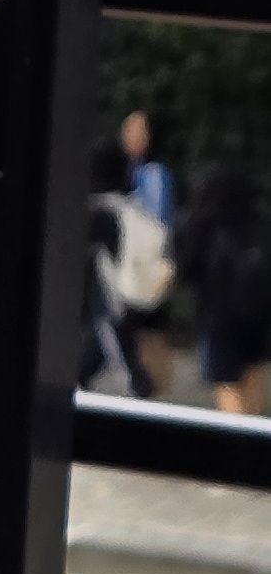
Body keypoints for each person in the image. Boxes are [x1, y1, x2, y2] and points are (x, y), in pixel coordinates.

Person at [175, 163, 271, 417]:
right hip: (259, 319)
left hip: (217, 319)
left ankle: (237, 438)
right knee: (253, 377)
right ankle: (255, 433)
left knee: (226, 385)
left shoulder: (204, 224)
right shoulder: (260, 225)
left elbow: (186, 268)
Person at [118, 108, 178, 395]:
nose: (127, 136)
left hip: (144, 264)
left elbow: (157, 224)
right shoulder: (130, 170)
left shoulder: (153, 174)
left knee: (143, 325)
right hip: (132, 263)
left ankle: (151, 389)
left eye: (136, 131)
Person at [81, 137, 143, 395]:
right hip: (125, 291)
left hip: (105, 294)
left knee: (109, 339)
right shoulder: (128, 207)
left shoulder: (96, 211)